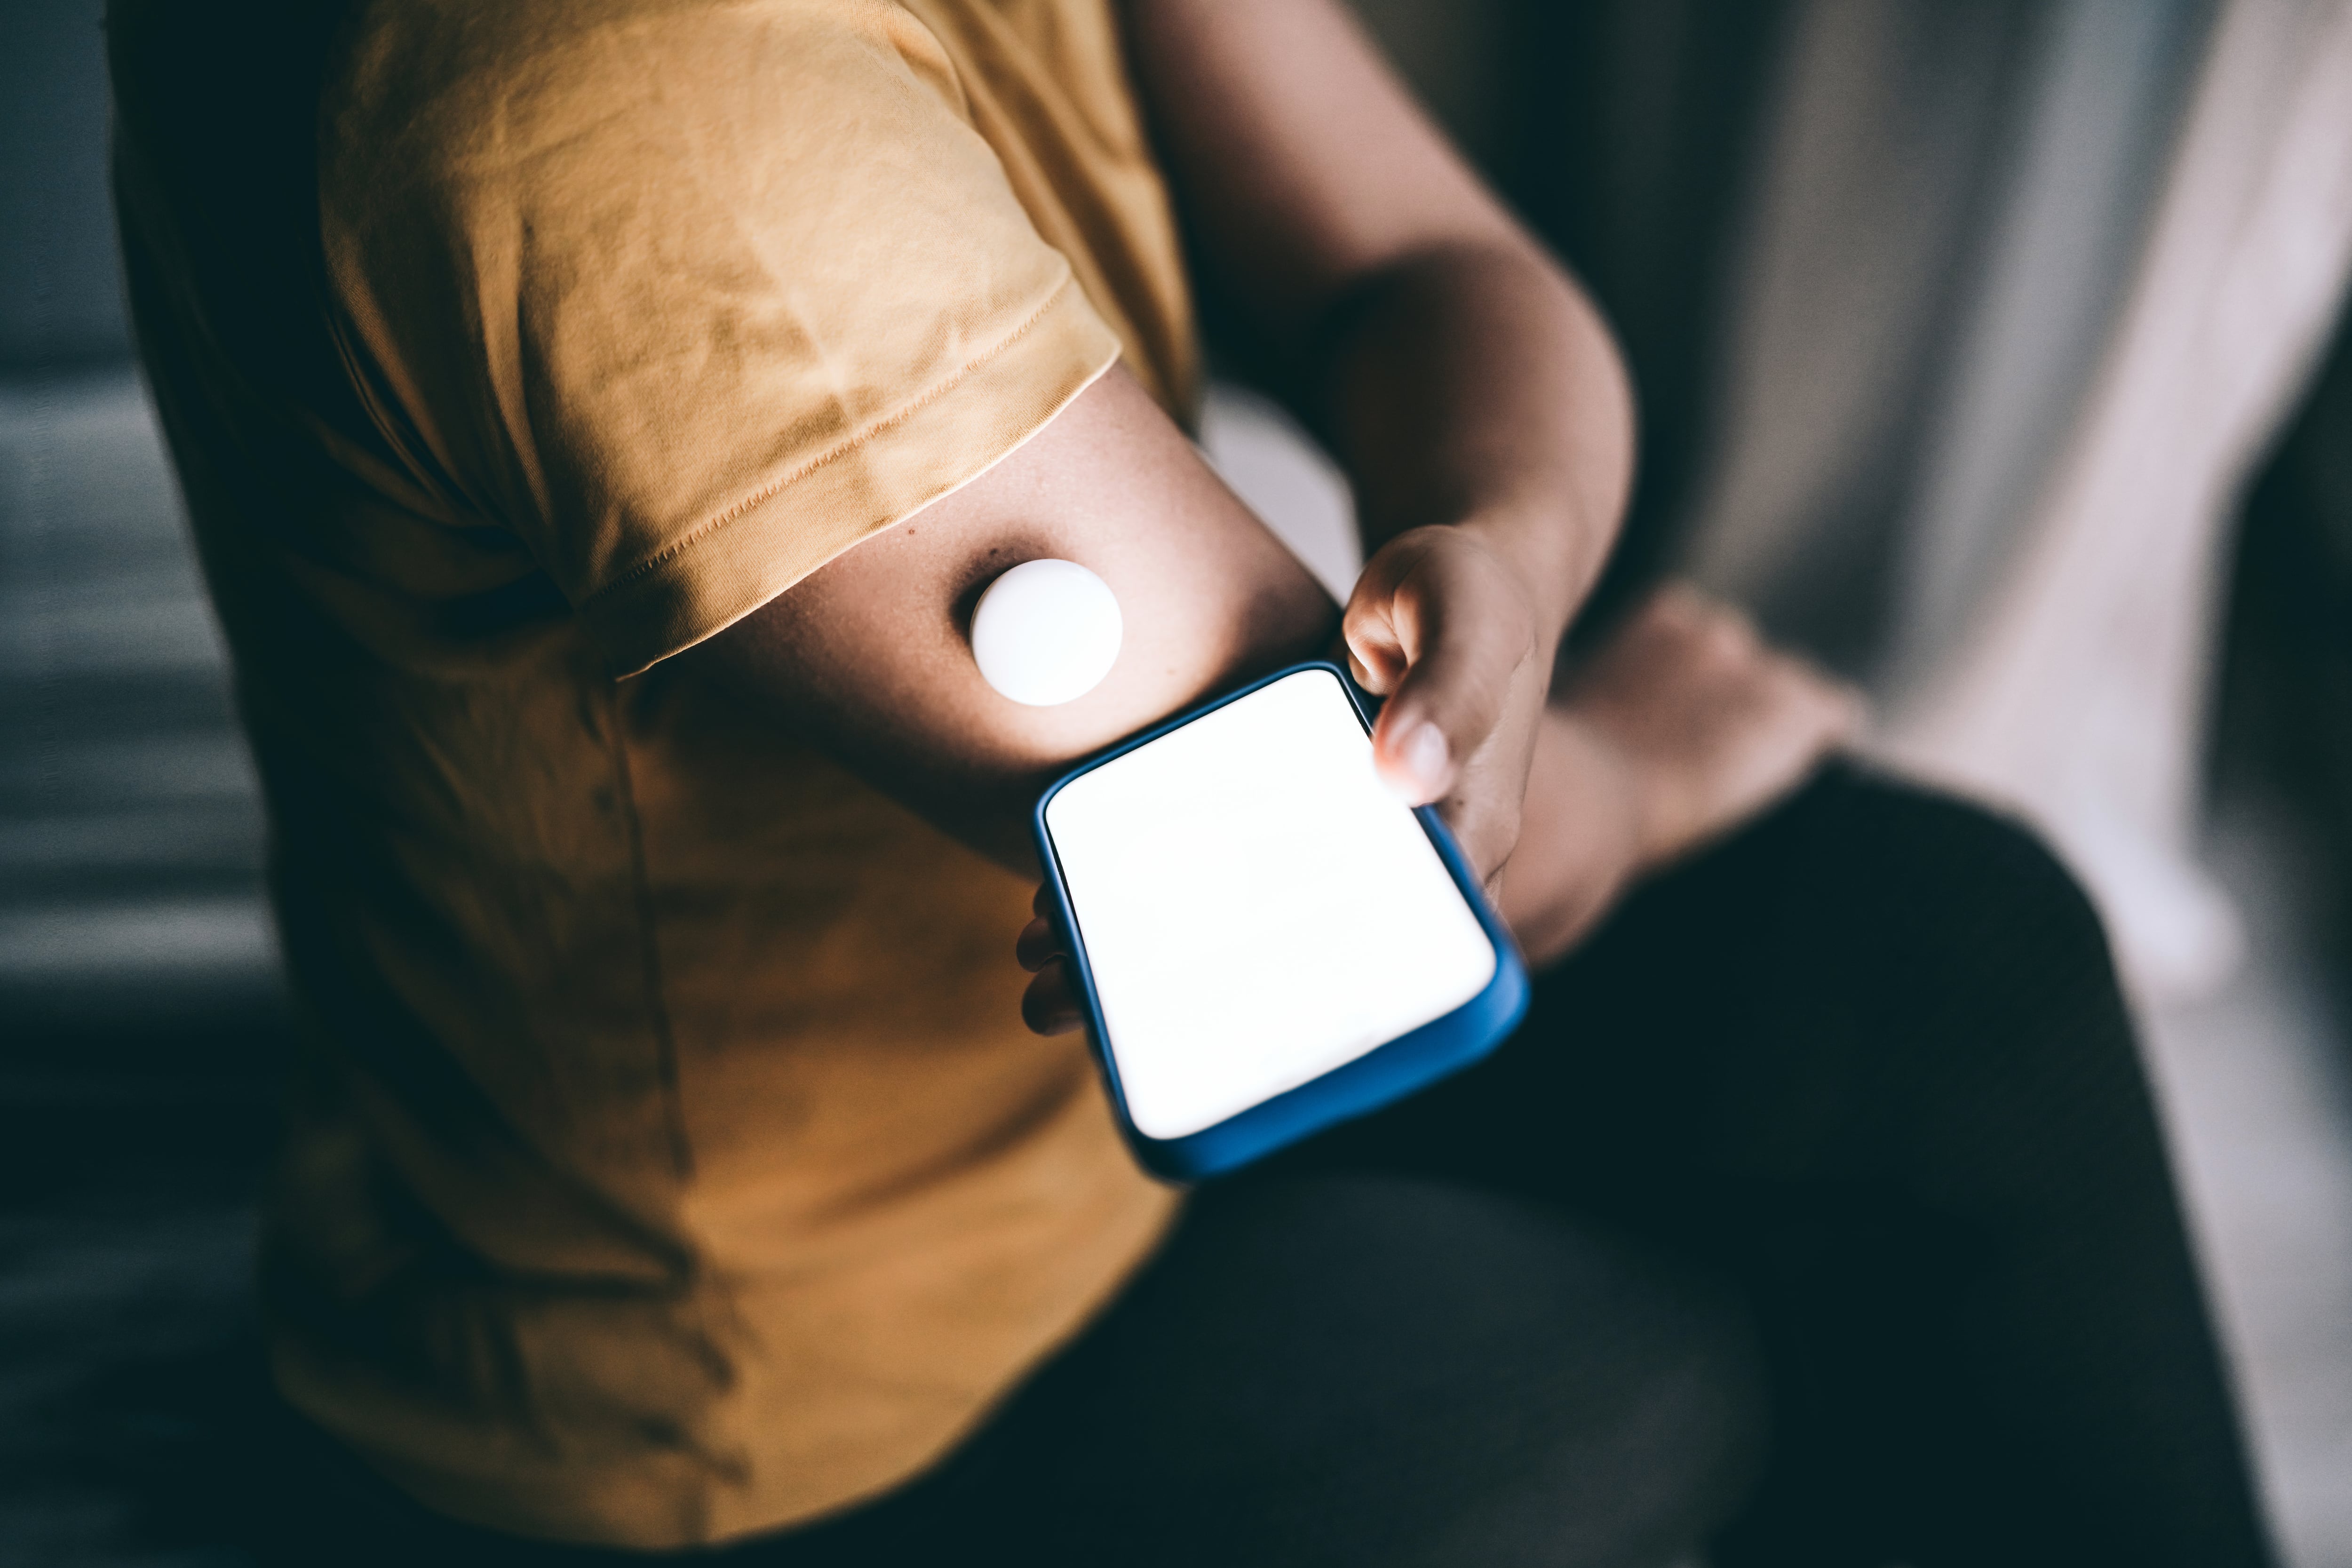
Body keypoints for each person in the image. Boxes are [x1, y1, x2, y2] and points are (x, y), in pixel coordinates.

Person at [104, 0, 2276, 1563]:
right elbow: (1319, 917)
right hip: (791, 1402)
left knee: (1936, 959)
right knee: (1736, 1322)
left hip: (1005, 1098)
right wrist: (1615, 767)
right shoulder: (661, 129)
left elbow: (1416, 270)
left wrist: (1502, 554)